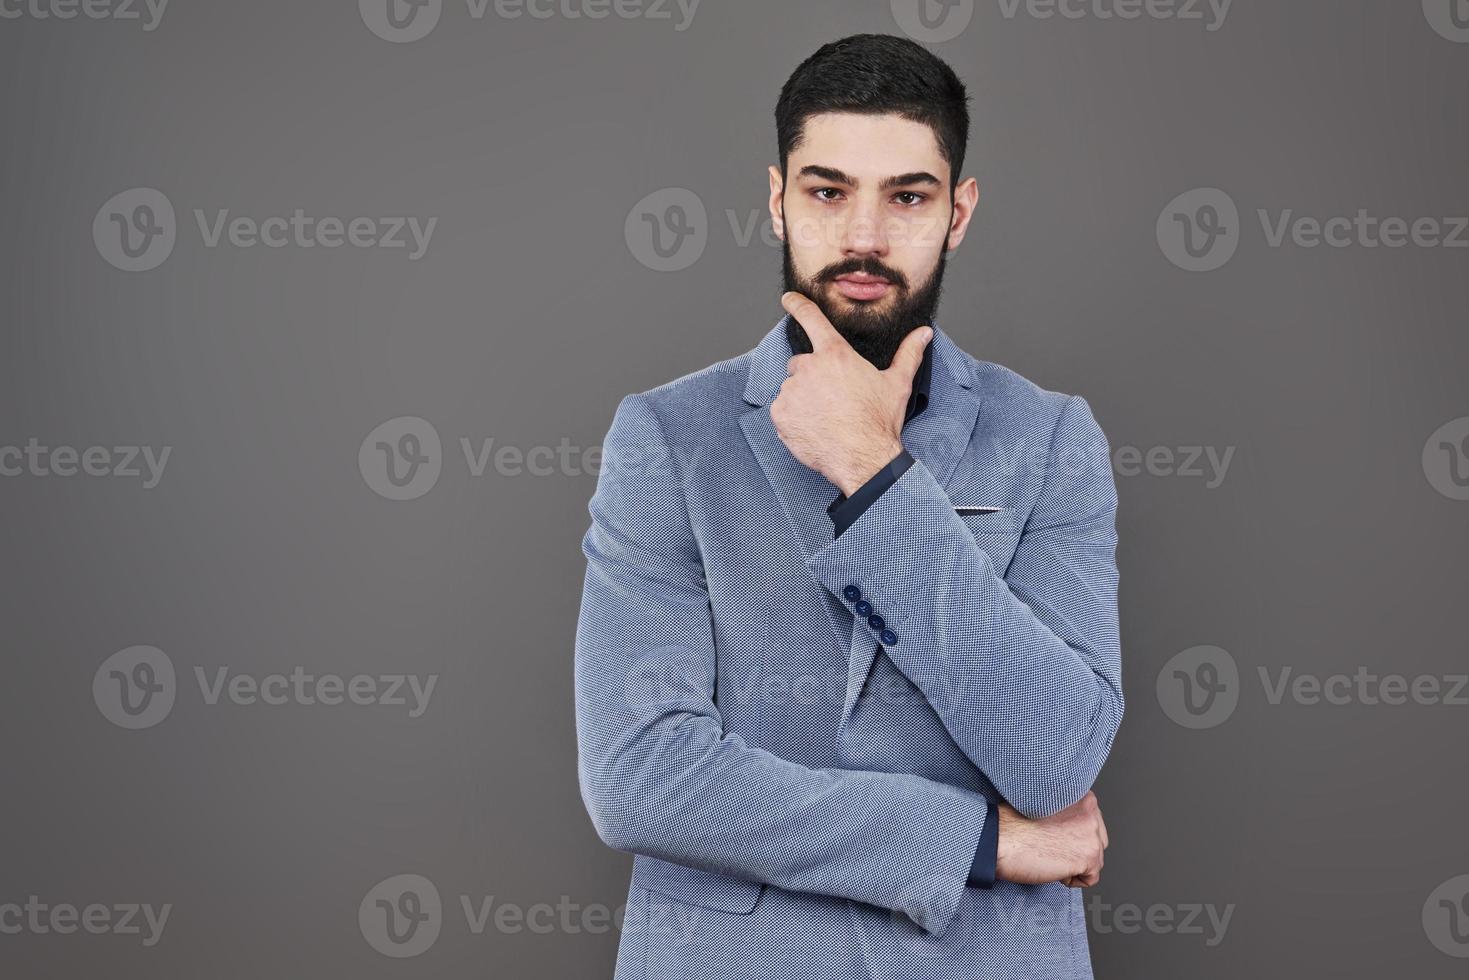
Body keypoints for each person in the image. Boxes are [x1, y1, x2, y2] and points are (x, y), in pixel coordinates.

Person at [575, 33, 1122, 980]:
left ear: (958, 211)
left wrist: (874, 473)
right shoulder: (665, 437)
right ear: (777, 199)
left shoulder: (1050, 439)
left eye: (906, 196)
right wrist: (978, 842)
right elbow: (641, 778)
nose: (864, 236)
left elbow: (1055, 758)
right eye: (828, 192)